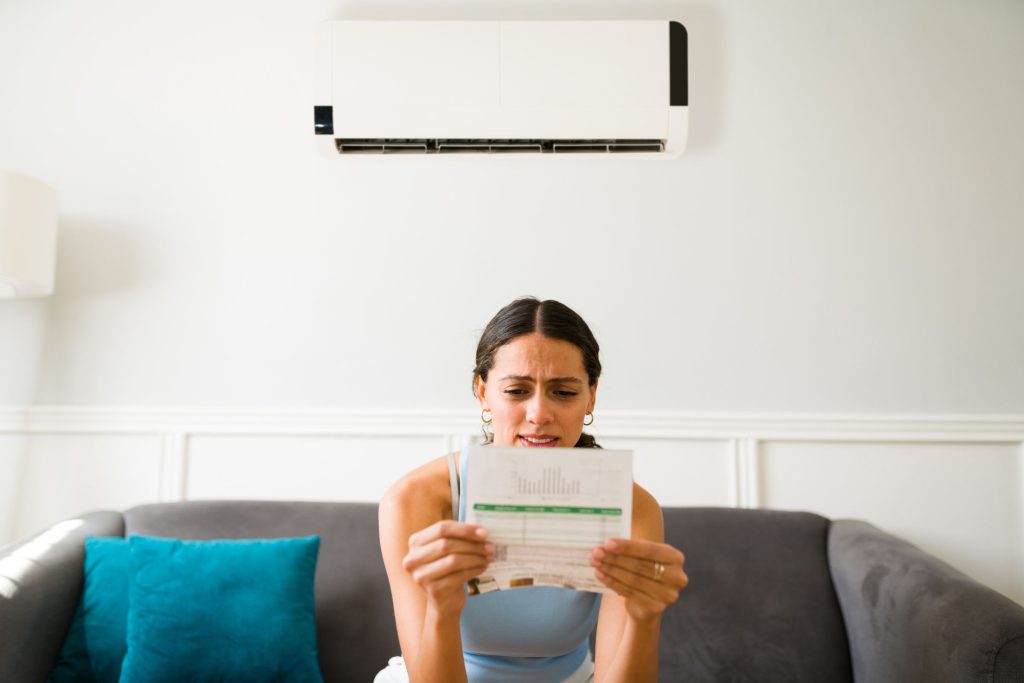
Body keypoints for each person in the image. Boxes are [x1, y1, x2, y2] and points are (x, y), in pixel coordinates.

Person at [376, 297, 688, 683]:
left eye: (564, 392)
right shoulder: (416, 500)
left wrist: (646, 618)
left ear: (591, 395)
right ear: (482, 392)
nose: (539, 414)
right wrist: (442, 608)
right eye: (516, 391)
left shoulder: (632, 507)